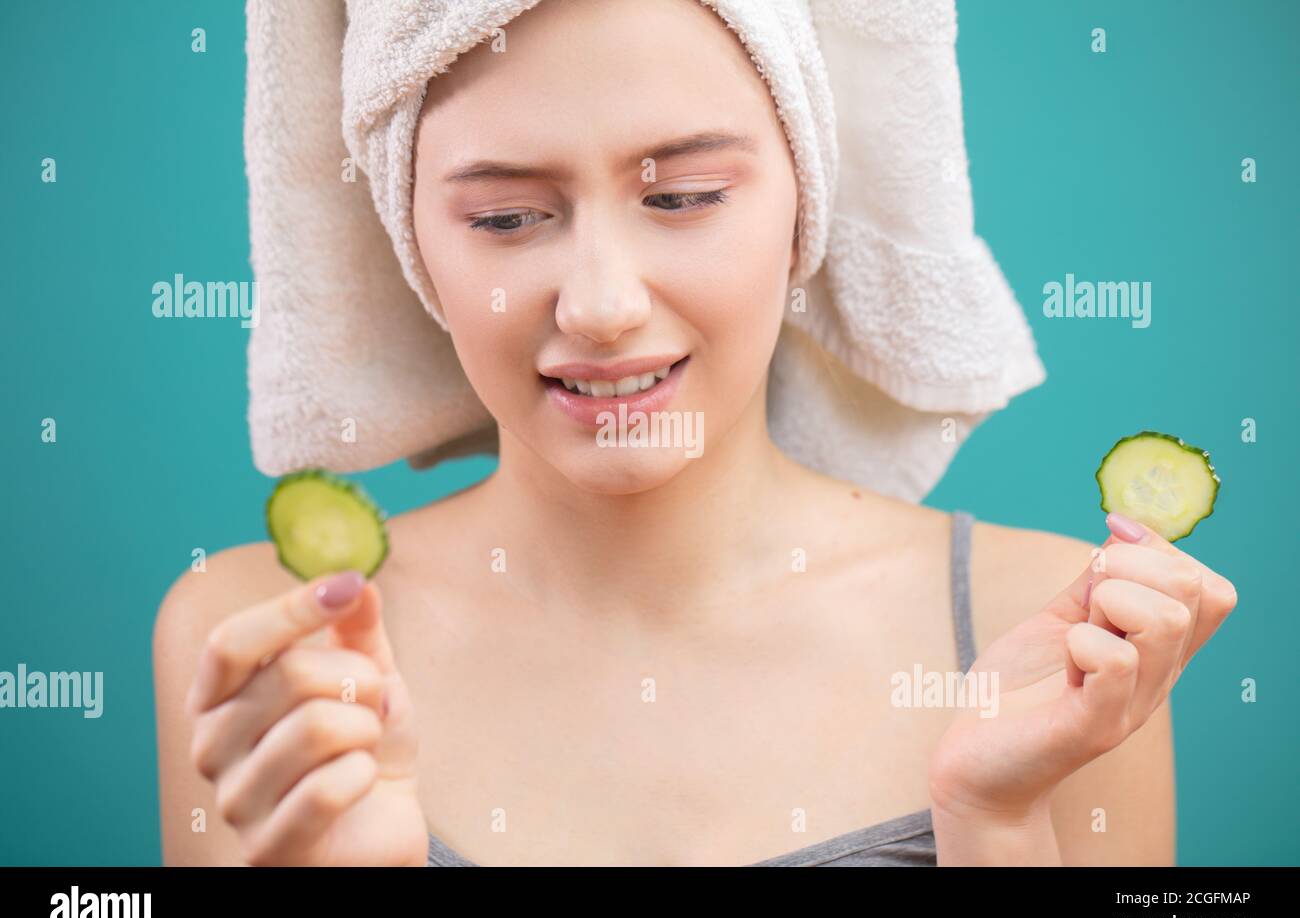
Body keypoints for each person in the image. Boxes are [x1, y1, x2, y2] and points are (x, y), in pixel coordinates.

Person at [152, 0, 1236, 866]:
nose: (602, 304)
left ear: (803, 202)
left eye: (683, 197)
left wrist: (993, 826)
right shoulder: (270, 647)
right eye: (505, 217)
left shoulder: (1053, 646)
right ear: (411, 239)